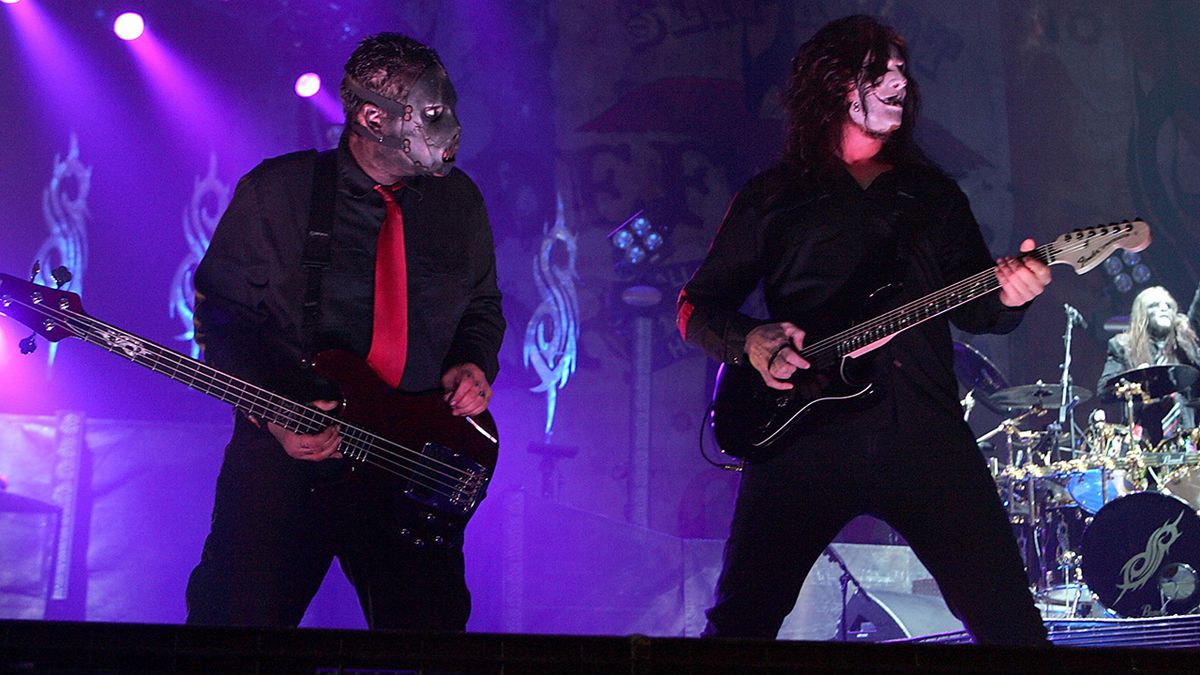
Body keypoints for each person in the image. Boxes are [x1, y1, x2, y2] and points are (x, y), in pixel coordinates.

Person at [676, 15, 1051, 644]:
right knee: (741, 626)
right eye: (881, 68)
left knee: (1010, 624)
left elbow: (981, 310)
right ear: (833, 84)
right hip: (800, 436)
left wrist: (1014, 294)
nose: (901, 78)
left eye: (903, 68)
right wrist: (750, 341)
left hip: (924, 431)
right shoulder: (773, 197)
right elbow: (695, 305)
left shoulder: (933, 195)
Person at [185, 33, 505, 630]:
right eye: (433, 112)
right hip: (285, 462)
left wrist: (473, 360)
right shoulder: (278, 192)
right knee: (230, 642)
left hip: (407, 464)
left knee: (428, 646)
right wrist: (272, 414)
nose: (452, 124)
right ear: (371, 116)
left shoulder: (458, 201)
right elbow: (221, 319)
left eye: (449, 107)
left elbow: (483, 305)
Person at [1099, 285, 1200, 446]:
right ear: (1142, 314)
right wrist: (1135, 380)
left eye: (1168, 306)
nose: (1163, 309)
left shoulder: (1186, 341)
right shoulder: (1123, 346)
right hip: (1145, 436)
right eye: (1155, 305)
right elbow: (1104, 390)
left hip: (1188, 435)